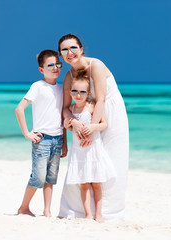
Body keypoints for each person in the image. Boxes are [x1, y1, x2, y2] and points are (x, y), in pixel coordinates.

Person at [57, 34, 129, 221]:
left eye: (73, 48)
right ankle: (79, 211)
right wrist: (73, 121)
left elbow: (102, 99)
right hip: (86, 115)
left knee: (112, 160)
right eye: (64, 50)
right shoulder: (68, 76)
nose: (69, 53)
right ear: (61, 55)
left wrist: (92, 128)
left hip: (109, 111)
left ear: (81, 49)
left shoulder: (95, 65)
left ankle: (108, 212)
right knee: (85, 158)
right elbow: (65, 108)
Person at [15, 50, 67, 217]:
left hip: (58, 139)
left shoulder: (62, 89)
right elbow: (19, 109)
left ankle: (47, 211)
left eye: (57, 64)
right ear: (41, 69)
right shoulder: (37, 86)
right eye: (50, 65)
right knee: (38, 177)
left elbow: (62, 116)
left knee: (51, 178)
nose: (55, 68)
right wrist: (26, 133)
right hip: (42, 139)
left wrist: (65, 142)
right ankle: (24, 207)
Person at [64, 72, 117, 222]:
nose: (78, 95)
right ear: (70, 92)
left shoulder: (92, 106)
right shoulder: (72, 110)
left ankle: (98, 214)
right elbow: (68, 127)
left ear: (88, 93)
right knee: (84, 184)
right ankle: (88, 213)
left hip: (93, 150)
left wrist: (93, 128)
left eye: (82, 92)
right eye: (75, 91)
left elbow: (104, 124)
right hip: (78, 151)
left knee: (96, 183)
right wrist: (71, 126)